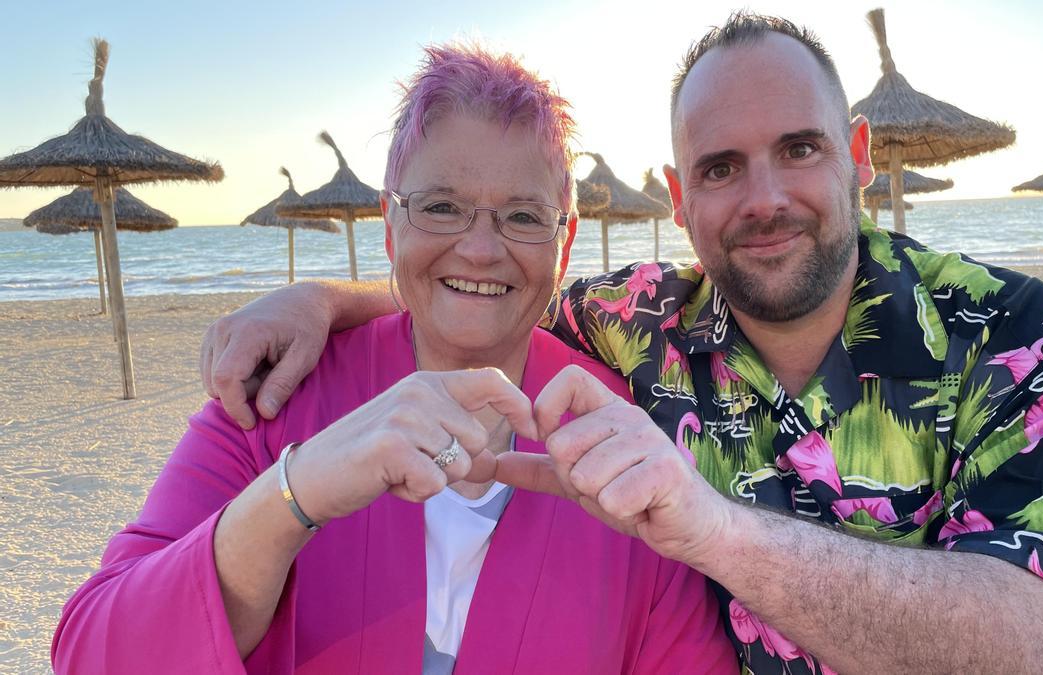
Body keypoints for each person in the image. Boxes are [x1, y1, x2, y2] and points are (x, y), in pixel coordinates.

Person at [199, 14, 1043, 674]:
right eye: (721, 167)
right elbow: (487, 282)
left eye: (799, 149)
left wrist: (717, 530)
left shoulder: (1009, 336)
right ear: (679, 198)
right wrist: (322, 296)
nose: (764, 196)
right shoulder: (639, 322)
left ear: (856, 157)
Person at [51, 44, 736, 675]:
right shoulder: (275, 398)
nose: (480, 248)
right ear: (390, 224)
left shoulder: (626, 442)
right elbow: (94, 651)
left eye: (523, 216)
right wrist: (299, 491)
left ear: (565, 241)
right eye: (442, 207)